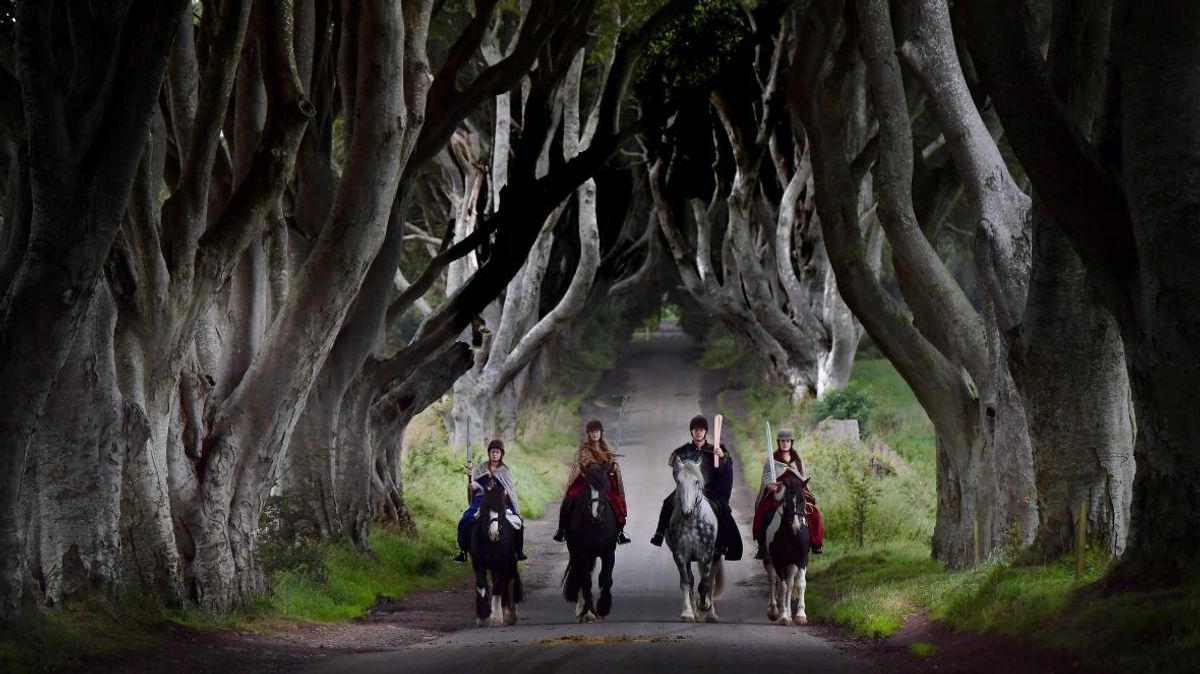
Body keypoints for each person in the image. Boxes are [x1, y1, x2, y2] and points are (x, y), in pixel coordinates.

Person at [649, 414, 743, 561]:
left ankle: (723, 543)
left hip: (711, 491)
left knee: (723, 509)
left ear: (705, 432)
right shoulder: (683, 452)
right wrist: (685, 481)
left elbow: (725, 473)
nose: (698, 432)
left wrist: (722, 458)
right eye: (695, 430)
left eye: (701, 430)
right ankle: (659, 534)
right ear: (691, 432)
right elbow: (676, 471)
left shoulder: (716, 450)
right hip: (687, 488)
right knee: (667, 502)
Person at [553, 419, 632, 545]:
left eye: (597, 431)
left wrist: (613, 466)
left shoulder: (606, 449)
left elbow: (613, 467)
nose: (595, 434)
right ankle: (562, 529)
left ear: (601, 433)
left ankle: (620, 532)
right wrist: (591, 470)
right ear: (588, 434)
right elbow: (579, 467)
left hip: (603, 484)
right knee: (569, 498)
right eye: (592, 432)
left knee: (616, 501)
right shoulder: (583, 450)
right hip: (586, 482)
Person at [751, 428, 824, 559]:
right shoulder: (771, 460)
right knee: (763, 514)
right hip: (778, 492)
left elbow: (802, 477)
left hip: (796, 492)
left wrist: (803, 488)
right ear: (779, 442)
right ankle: (762, 546)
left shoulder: (797, 460)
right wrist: (770, 485)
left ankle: (815, 543)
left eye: (788, 441)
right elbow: (767, 476)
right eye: (782, 441)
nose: (785, 443)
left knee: (814, 514)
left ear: (791, 442)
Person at [452, 439, 526, 563]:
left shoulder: (505, 471)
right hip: (481, 501)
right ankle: (463, 551)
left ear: (501, 454)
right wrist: (470, 479)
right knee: (464, 521)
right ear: (489, 453)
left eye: (497, 452)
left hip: (500, 502)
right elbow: (473, 487)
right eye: (493, 452)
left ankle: (518, 551)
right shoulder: (481, 468)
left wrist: (503, 493)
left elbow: (510, 491)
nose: (495, 454)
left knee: (518, 523)